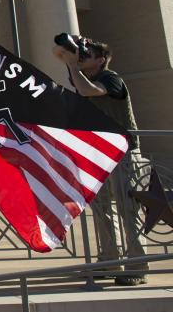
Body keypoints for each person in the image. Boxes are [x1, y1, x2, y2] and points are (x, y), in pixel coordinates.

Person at [53, 36, 147, 286]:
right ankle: (109, 260)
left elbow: (87, 92)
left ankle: (138, 266)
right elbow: (58, 52)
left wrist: (73, 65)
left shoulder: (110, 78)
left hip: (124, 153)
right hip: (99, 155)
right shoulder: (86, 77)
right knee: (103, 210)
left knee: (129, 211)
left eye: (89, 54)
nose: (83, 57)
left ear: (102, 60)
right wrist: (71, 51)